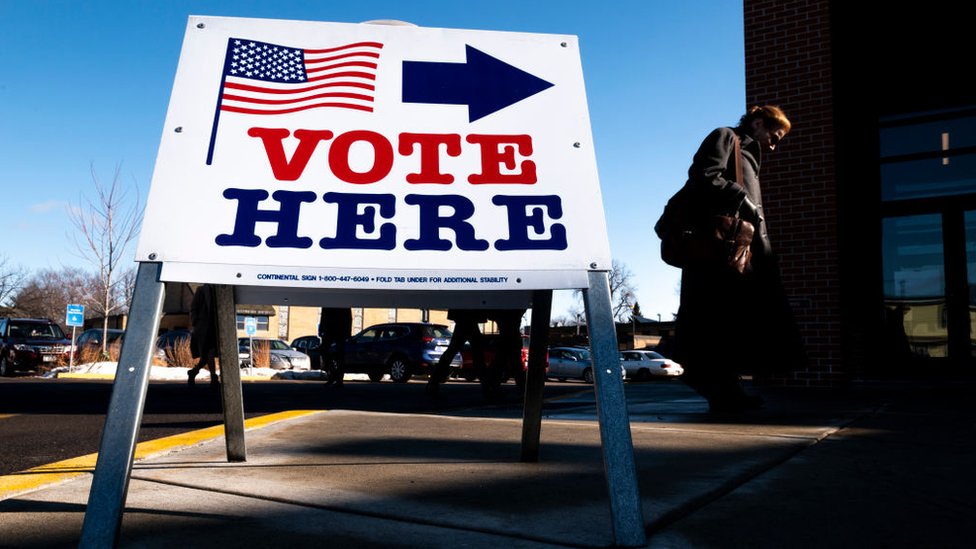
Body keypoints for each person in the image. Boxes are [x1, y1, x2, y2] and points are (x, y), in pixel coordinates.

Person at [671, 105, 804, 413]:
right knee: (714, 321)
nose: (774, 146)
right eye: (774, 136)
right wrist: (744, 200)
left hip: (740, 254)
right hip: (718, 253)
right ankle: (718, 388)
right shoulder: (725, 137)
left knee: (731, 324)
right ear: (758, 123)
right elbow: (704, 175)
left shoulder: (748, 156)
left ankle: (728, 391)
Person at [426, 309, 487, 397]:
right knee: (477, 353)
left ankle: (433, 382)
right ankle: (488, 386)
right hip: (468, 319)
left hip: (463, 319)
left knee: (453, 351)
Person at [188, 284, 219, 388]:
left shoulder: (220, 290)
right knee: (209, 353)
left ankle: (193, 372)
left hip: (215, 328)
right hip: (203, 328)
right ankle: (213, 377)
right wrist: (196, 323)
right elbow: (194, 307)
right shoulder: (201, 290)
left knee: (206, 356)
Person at [318, 307, 353, 387]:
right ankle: (334, 375)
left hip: (339, 329)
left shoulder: (344, 305)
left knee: (340, 355)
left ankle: (338, 378)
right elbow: (323, 315)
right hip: (331, 329)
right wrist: (321, 329)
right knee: (325, 350)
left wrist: (348, 332)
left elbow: (348, 317)